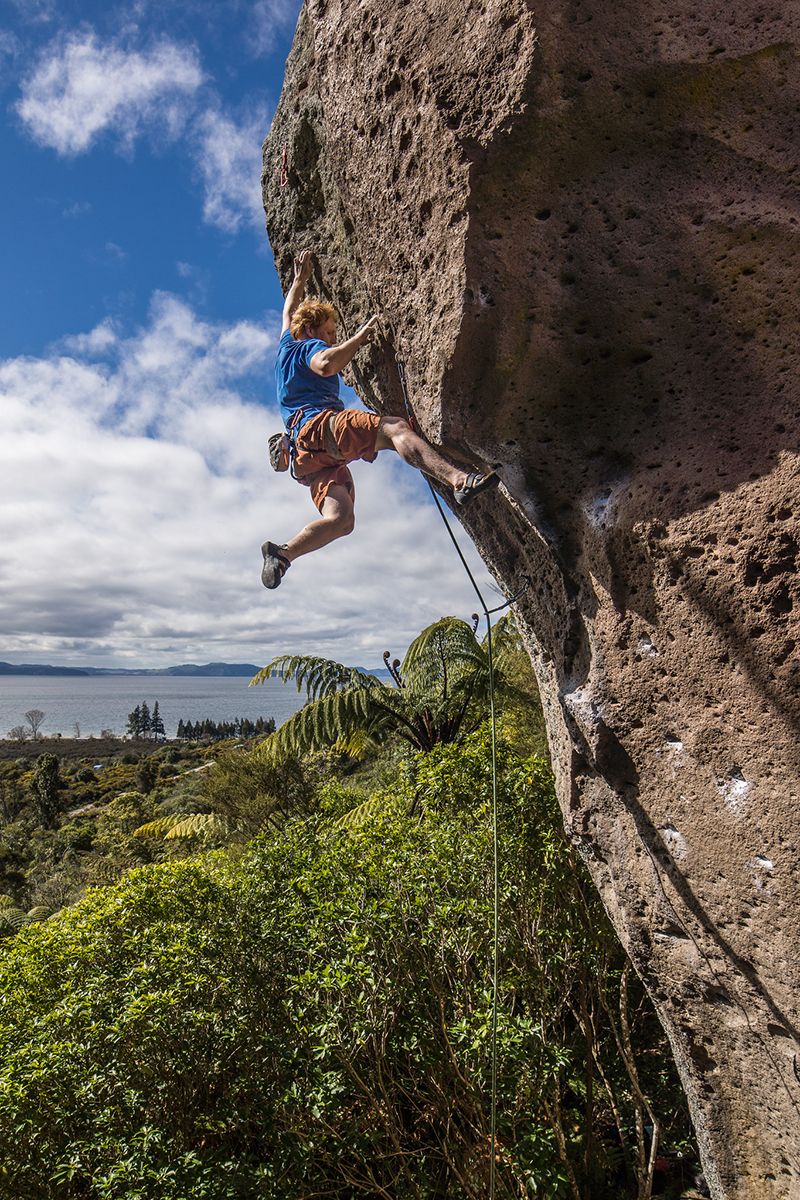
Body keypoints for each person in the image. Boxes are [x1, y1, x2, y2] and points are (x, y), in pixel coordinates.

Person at [261, 250, 499, 588]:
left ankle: (282, 554)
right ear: (312, 330)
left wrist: (300, 280)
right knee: (394, 429)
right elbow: (326, 364)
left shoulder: (286, 345)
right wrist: (358, 339)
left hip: (308, 460)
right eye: (329, 332)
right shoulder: (307, 347)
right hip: (320, 429)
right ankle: (459, 480)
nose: (331, 337)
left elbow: (287, 313)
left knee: (341, 520)